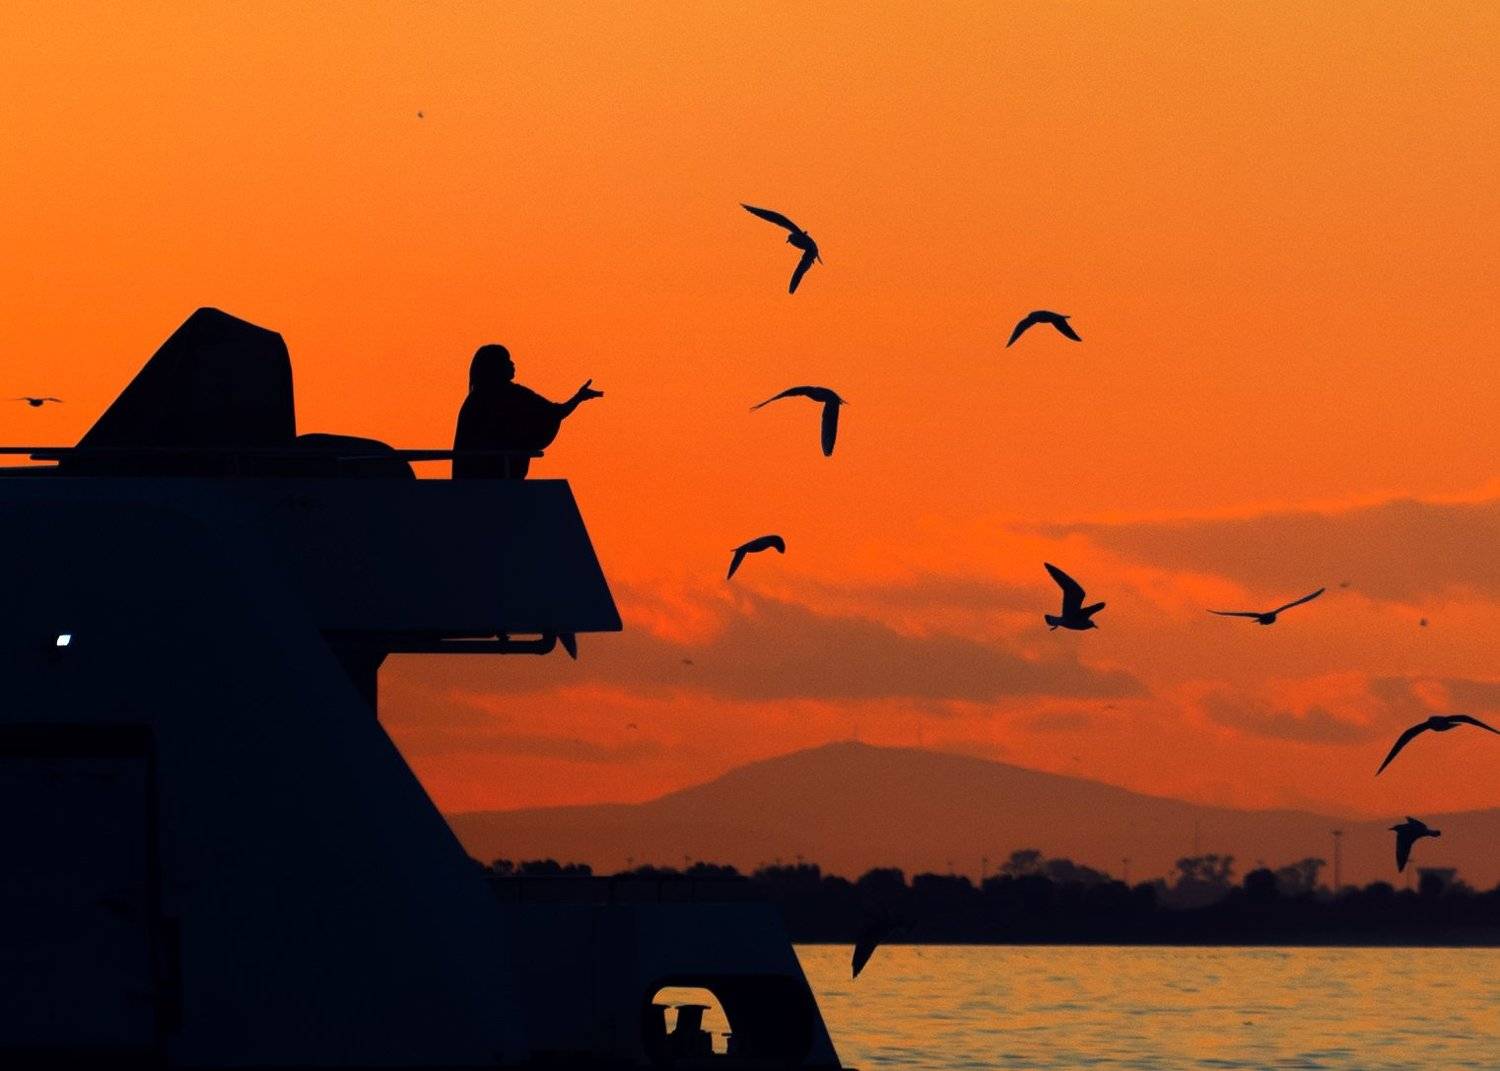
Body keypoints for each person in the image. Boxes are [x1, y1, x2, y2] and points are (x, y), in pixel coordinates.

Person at [452, 344, 602, 478]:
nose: (512, 364)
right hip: (484, 476)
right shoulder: (481, 400)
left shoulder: (511, 394)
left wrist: (578, 398)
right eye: (506, 360)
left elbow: (552, 413)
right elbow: (553, 413)